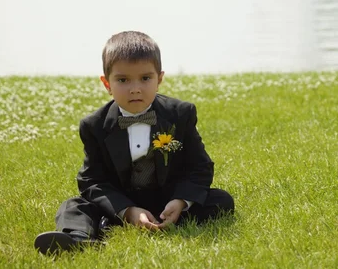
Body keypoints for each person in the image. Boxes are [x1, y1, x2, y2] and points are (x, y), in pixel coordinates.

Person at [34, 31, 234, 254]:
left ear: (159, 79)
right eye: (123, 80)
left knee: (220, 200)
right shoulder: (94, 125)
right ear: (106, 83)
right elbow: (91, 180)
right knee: (74, 205)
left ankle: (167, 219)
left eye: (145, 78)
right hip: (121, 202)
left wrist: (180, 201)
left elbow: (200, 166)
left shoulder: (180, 114)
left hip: (168, 199)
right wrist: (127, 210)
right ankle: (79, 238)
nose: (135, 88)